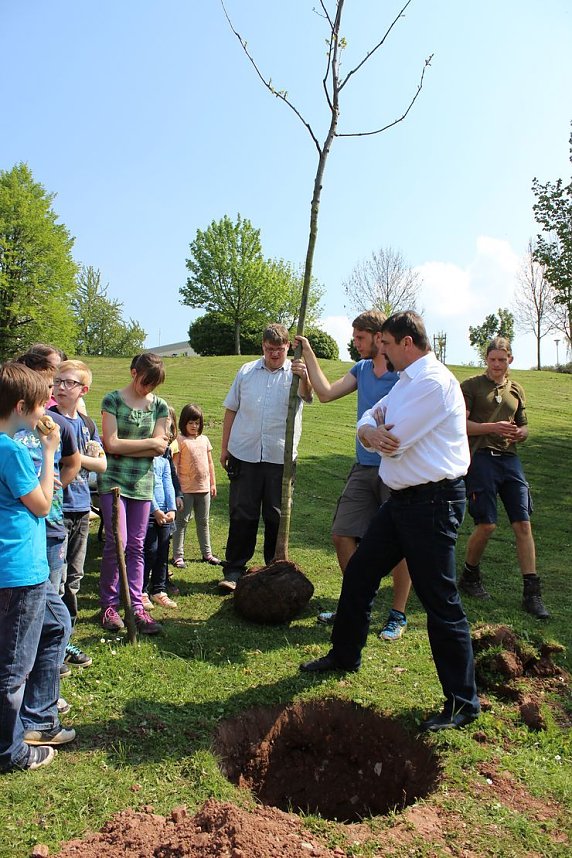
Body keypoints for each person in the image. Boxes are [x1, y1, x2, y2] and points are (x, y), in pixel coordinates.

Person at [300, 311, 480, 732]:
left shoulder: (433, 383)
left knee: (439, 599)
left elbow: (394, 443)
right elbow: (369, 421)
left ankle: (462, 702)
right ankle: (344, 655)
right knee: (360, 573)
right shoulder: (404, 382)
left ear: (408, 344)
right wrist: (369, 432)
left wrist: (378, 435)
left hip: (433, 503)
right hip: (401, 502)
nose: (381, 350)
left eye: (387, 344)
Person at [295, 311, 411, 641]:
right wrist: (309, 353)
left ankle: (397, 614)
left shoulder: (400, 374)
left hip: (396, 470)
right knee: (342, 533)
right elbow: (327, 393)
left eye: (360, 337)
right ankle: (356, 602)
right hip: (363, 468)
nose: (355, 342)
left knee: (402, 545)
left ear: (378, 337)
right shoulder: (361, 370)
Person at [0, 362, 75, 773]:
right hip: (18, 571)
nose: (43, 408)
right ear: (19, 406)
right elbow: (44, 504)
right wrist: (48, 452)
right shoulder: (10, 450)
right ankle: (11, 751)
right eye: (37, 403)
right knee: (13, 668)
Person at [459, 337, 549, 618]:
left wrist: (522, 433)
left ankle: (531, 593)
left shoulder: (516, 390)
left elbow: (523, 426)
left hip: (510, 460)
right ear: (486, 359)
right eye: (492, 359)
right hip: (481, 457)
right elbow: (460, 425)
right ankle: (470, 576)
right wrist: (491, 426)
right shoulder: (471, 386)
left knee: (523, 523)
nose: (497, 365)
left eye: (502, 360)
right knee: (487, 525)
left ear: (510, 360)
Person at [219, 324, 313, 592]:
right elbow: (231, 409)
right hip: (244, 453)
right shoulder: (247, 372)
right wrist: (225, 448)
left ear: (288, 347)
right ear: (262, 346)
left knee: (276, 515)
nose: (274, 354)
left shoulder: (294, 373)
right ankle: (234, 570)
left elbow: (308, 396)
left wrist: (304, 376)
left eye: (280, 349)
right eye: (270, 349)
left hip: (279, 457)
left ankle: (274, 568)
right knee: (242, 514)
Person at [15, 352, 81, 682]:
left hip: (50, 523)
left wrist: (51, 482)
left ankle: (46, 672)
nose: (55, 386)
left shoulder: (56, 425)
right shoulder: (12, 438)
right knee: (35, 613)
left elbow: (72, 463)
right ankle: (34, 680)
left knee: (50, 602)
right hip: (21, 533)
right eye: (51, 376)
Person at [98, 353, 169, 635]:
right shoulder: (112, 400)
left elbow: (160, 449)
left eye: (154, 384)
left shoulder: (160, 406)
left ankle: (136, 607)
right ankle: (109, 605)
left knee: (137, 545)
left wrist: (147, 444)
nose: (149, 388)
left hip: (142, 483)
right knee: (117, 542)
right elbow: (110, 444)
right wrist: (149, 442)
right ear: (133, 373)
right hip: (113, 481)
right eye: (145, 381)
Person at [50, 360, 108, 665]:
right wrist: (83, 458)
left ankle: (65, 642)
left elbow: (102, 464)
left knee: (74, 578)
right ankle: (52, 647)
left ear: (83, 389)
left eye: (68, 382)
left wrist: (77, 459)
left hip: (82, 508)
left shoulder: (87, 424)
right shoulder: (48, 420)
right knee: (54, 581)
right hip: (56, 509)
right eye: (57, 381)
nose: (60, 387)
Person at [172, 403, 220, 570]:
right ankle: (178, 556)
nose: (194, 426)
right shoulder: (180, 440)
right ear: (184, 423)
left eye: (197, 423)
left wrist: (212, 483)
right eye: (191, 423)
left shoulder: (204, 440)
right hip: (186, 489)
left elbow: (210, 463)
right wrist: (176, 489)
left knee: (203, 522)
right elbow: (175, 466)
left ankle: (207, 553)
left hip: (204, 488)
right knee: (182, 522)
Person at [142, 450, 177, 610]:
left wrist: (172, 508)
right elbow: (145, 483)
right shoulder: (144, 457)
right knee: (150, 552)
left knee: (162, 553)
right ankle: (141, 591)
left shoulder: (164, 458)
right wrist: (155, 510)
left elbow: (167, 481)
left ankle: (159, 590)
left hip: (165, 514)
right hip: (148, 512)